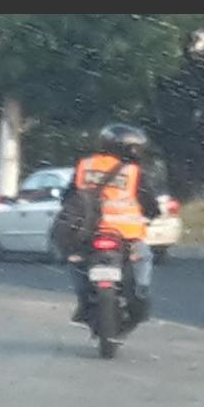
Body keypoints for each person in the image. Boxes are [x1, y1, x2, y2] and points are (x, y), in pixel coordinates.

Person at [64, 123, 160, 324]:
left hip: (89, 231)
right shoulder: (134, 172)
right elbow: (149, 202)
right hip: (126, 234)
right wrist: (152, 214)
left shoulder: (86, 165)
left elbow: (68, 197)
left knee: (75, 260)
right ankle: (140, 294)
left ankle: (83, 302)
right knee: (143, 258)